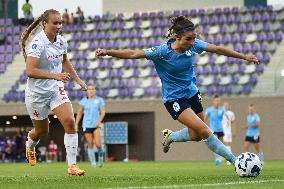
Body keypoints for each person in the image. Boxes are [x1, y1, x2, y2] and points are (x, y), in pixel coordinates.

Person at [95, 15, 259, 167]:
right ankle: (236, 161)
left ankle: (171, 137)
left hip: (192, 93)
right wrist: (108, 52)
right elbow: (133, 54)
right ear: (177, 37)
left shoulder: (193, 44)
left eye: (194, 37)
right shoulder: (161, 52)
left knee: (196, 136)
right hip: (174, 99)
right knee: (204, 130)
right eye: (189, 38)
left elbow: (217, 49)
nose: (193, 41)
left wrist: (244, 56)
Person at [20, 9, 87, 176]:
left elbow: (64, 61)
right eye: (55, 23)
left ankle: (72, 166)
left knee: (70, 122)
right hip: (36, 94)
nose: (59, 26)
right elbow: (30, 70)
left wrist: (78, 79)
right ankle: (30, 144)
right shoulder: (37, 43)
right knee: (42, 131)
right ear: (45, 23)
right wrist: (55, 75)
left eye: (60, 23)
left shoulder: (62, 41)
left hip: (56, 89)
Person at [75, 84, 105, 167]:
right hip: (86, 125)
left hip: (96, 125)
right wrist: (76, 124)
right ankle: (93, 163)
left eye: (93, 89)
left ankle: (101, 159)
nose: (91, 90)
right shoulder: (83, 101)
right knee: (90, 143)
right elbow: (80, 113)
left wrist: (99, 121)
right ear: (87, 91)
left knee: (98, 144)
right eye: (89, 89)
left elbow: (102, 112)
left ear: (95, 90)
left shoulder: (99, 100)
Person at [205, 95, 225, 166]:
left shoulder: (222, 109)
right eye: (216, 100)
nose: (217, 102)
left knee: (220, 145)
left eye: (218, 100)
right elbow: (204, 119)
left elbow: (226, 118)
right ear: (213, 101)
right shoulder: (209, 110)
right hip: (213, 130)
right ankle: (218, 159)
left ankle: (219, 158)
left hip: (220, 129)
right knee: (216, 144)